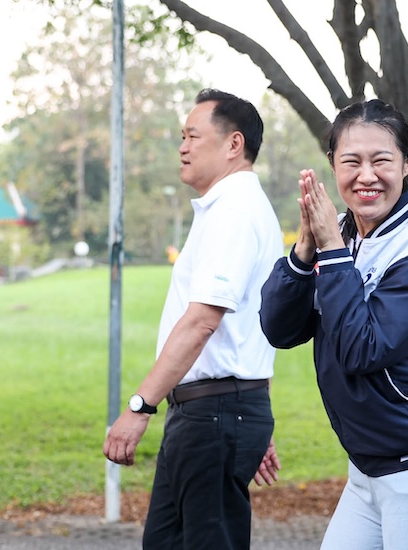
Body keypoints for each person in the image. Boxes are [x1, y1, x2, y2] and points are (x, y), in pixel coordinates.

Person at [259, 99, 408, 549]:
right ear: (332, 165)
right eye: (351, 161)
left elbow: (362, 349)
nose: (366, 175)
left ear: (406, 162)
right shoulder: (341, 234)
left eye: (381, 160)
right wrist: (306, 250)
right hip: (369, 469)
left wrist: (330, 251)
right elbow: (279, 328)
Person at [103, 88, 284, 549]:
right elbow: (247, 328)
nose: (182, 147)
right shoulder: (225, 209)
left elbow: (203, 321)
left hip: (215, 415)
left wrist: (139, 407)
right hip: (216, 412)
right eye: (181, 137)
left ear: (233, 144)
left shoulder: (235, 212)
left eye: (192, 135)